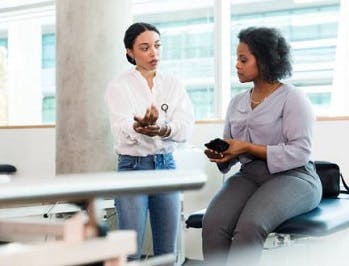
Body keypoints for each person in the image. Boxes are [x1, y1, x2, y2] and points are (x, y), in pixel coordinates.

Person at [202, 27, 322, 265]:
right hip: (250, 175)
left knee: (250, 226)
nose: (237, 65)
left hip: (294, 176)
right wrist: (223, 156)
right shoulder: (236, 102)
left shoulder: (293, 98)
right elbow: (232, 149)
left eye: (243, 59)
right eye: (237, 58)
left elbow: (300, 152)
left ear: (266, 60)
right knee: (213, 223)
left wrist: (246, 148)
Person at [104, 22, 194, 260]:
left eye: (157, 46)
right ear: (130, 52)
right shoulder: (119, 85)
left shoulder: (173, 84)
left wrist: (163, 129)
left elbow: (185, 128)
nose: (153, 53)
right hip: (133, 168)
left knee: (167, 252)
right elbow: (120, 128)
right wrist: (139, 125)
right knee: (130, 251)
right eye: (145, 48)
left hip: (166, 166)